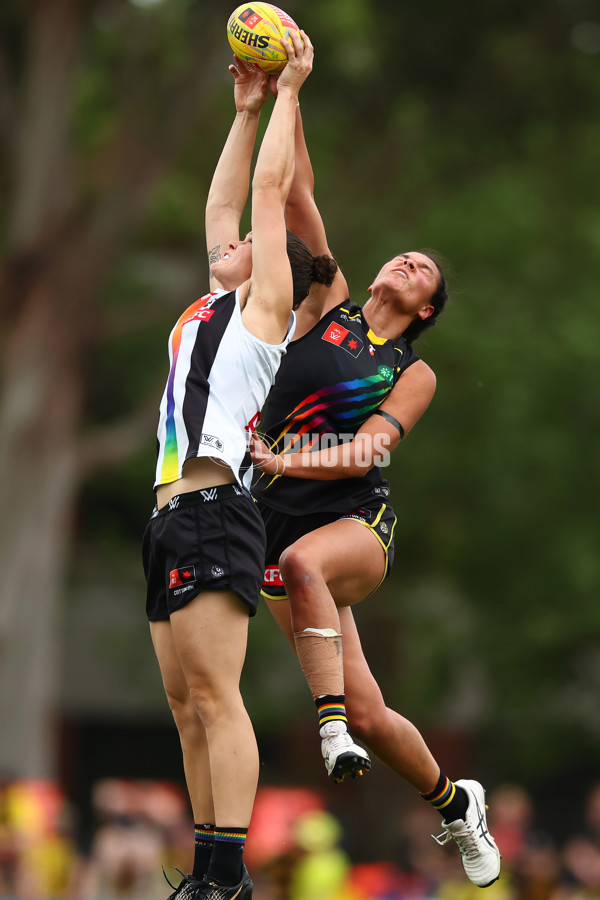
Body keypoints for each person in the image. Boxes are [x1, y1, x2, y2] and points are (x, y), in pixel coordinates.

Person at [249, 102, 502, 889]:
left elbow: (368, 449)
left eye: (422, 270)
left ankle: (329, 734)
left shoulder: (412, 372)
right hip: (276, 522)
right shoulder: (330, 305)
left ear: (426, 310)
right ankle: (457, 804)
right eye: (404, 256)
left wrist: (284, 458)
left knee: (305, 564)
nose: (407, 261)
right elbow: (299, 196)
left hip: (354, 520)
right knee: (371, 712)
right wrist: (286, 92)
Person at [142, 32, 337, 900]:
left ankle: (228, 874)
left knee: (218, 698)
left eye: (245, 242)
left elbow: (263, 192)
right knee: (187, 707)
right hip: (168, 518)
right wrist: (246, 110)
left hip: (216, 512)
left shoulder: (264, 313)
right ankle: (207, 869)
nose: (225, 240)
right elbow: (224, 201)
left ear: (271, 270)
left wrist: (290, 90)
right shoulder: (218, 300)